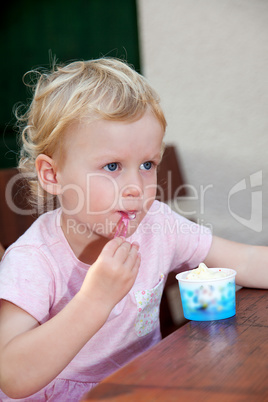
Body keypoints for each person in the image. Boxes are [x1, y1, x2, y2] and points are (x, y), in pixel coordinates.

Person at [0, 58, 267, 401]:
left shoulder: (157, 225)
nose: (135, 187)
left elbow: (243, 260)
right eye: (112, 166)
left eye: (146, 165)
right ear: (53, 175)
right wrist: (96, 299)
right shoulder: (33, 260)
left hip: (143, 387)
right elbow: (12, 375)